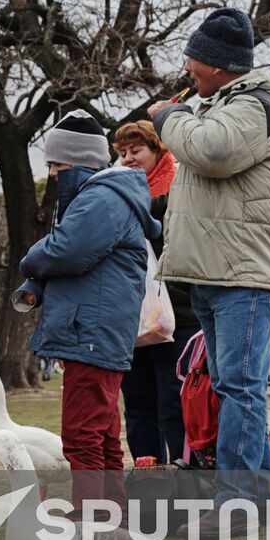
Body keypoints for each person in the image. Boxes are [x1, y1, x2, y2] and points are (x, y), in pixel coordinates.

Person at [147, 6, 270, 539]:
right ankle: (258, 500)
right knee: (233, 385)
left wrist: (168, 118)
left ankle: (236, 501)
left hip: (245, 272)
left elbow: (210, 152)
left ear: (216, 62)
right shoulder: (222, 104)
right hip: (217, 271)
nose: (187, 65)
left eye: (194, 57)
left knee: (240, 387)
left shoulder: (255, 107)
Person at [14, 110, 159, 519]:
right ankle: (111, 515)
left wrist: (30, 261)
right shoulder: (101, 197)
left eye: (57, 164)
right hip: (97, 330)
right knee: (102, 432)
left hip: (92, 332)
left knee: (81, 434)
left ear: (77, 162)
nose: (54, 174)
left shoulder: (102, 198)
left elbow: (65, 250)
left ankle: (93, 518)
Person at [111, 119, 201, 467]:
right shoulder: (119, 194)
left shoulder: (180, 188)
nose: (129, 159)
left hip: (177, 316)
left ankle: (184, 474)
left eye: (136, 150)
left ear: (158, 150)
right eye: (122, 153)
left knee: (173, 404)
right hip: (134, 319)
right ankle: (149, 475)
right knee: (137, 404)